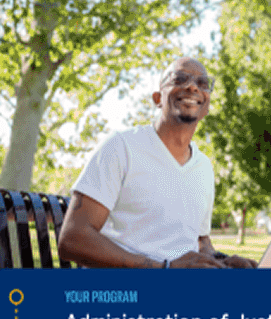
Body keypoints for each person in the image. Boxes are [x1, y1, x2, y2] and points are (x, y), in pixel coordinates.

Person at [58, 56, 251, 268]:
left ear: (207, 105)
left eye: (202, 83)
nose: (192, 87)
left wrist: (224, 261)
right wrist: (163, 269)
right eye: (179, 79)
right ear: (158, 99)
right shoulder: (121, 147)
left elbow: (200, 241)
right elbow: (72, 239)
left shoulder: (204, 167)